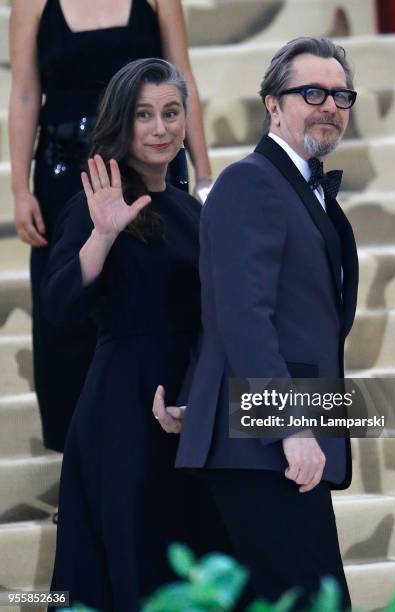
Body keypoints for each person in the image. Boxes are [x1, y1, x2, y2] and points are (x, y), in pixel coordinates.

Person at [154, 36, 359, 609]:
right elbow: (243, 314)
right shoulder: (251, 182)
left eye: (341, 95)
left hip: (271, 433)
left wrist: (202, 392)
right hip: (266, 441)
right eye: (311, 92)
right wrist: (292, 428)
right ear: (273, 104)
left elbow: (225, 309)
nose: (329, 105)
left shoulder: (298, 187)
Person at [42, 58, 229, 612]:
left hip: (190, 411)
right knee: (127, 566)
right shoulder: (96, 205)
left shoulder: (196, 214)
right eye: (144, 114)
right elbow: (58, 307)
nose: (160, 128)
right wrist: (102, 235)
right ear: (122, 123)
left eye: (172, 113)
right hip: (121, 413)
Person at [8, 0, 213, 459]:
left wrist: (204, 173)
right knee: (69, 309)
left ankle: (169, 440)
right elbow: (24, 92)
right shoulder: (31, 4)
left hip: (154, 161)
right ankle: (78, 463)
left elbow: (183, 77)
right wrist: (20, 188)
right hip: (65, 171)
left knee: (161, 298)